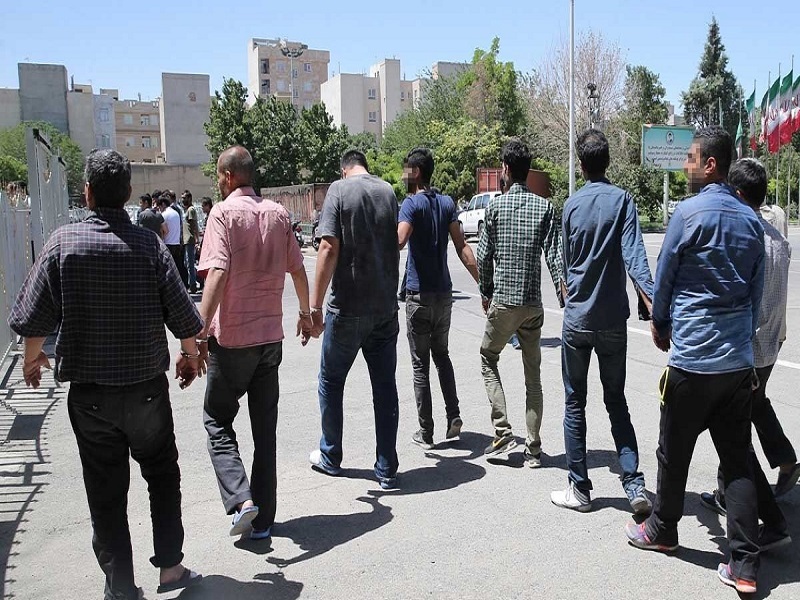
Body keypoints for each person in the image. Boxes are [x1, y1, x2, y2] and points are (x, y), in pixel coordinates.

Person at [8, 149, 203, 599]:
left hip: (91, 398)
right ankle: (171, 568)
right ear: (129, 192)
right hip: (146, 393)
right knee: (162, 475)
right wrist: (190, 355)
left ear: (88, 193)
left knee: (105, 492)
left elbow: (34, 317)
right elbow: (183, 316)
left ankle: (121, 587)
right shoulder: (150, 247)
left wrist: (32, 360)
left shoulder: (63, 244)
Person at [625, 127, 763, 594]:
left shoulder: (687, 213)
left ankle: (663, 530)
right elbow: (756, 295)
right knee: (737, 462)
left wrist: (659, 324)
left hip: (693, 360)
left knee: (672, 449)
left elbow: (664, 278)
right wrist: (742, 344)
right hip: (735, 364)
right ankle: (745, 565)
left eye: (690, 158)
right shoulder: (751, 221)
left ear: (710, 165)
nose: (685, 165)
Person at [198, 146, 311, 541]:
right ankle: (264, 522)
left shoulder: (222, 214)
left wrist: (199, 334)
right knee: (265, 432)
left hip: (232, 342)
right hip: (269, 341)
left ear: (229, 176)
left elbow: (217, 273)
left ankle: (242, 499)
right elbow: (298, 270)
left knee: (217, 420)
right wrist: (306, 313)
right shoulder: (279, 214)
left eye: (219, 175)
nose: (218, 182)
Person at [551, 129, 653, 514]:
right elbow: (636, 259)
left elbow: (566, 264)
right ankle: (634, 485)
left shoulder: (570, 205)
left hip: (577, 320)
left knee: (574, 403)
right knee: (616, 401)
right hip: (612, 321)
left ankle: (579, 489)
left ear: (581, 164)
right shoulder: (623, 201)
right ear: (607, 162)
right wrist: (654, 307)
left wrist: (570, 296)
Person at [699, 158, 796, 537]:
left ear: (737, 194)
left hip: (747, 348)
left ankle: (759, 513)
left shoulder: (745, 238)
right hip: (772, 341)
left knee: (732, 427)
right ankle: (777, 463)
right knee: (748, 411)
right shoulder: (778, 237)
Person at [308, 149, 401, 490]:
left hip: (347, 307)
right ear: (365, 166)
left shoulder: (339, 190)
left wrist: (314, 306)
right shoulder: (387, 191)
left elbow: (328, 247)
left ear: (343, 169)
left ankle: (331, 456)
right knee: (385, 388)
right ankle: (387, 468)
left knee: (331, 382)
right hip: (384, 308)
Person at [477, 139, 565, 466]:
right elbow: (555, 256)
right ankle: (534, 449)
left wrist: (486, 292)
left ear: (506, 169)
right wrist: (563, 295)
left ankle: (502, 430)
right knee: (533, 378)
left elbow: (484, 256)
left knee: (488, 356)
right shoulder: (545, 208)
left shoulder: (495, 208)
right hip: (532, 306)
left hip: (504, 301)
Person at [398, 148, 479, 450]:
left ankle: (426, 431)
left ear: (416, 172)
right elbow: (462, 246)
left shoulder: (411, 204)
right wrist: (484, 284)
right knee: (442, 356)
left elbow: (399, 240)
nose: (404, 176)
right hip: (444, 296)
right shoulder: (446, 203)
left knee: (420, 365)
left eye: (407, 171)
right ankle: (453, 414)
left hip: (419, 296)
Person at [158, 195, 189, 286]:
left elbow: (165, 230)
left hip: (168, 244)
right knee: (178, 267)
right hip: (176, 243)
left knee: (168, 269)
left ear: (163, 204)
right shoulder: (176, 213)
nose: (159, 209)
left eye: (160, 206)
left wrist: (161, 238)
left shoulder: (164, 215)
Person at [182, 191, 199, 294]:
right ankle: (198, 278)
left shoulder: (191, 210)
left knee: (190, 264)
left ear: (189, 198)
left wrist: (196, 239)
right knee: (186, 263)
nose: (183, 200)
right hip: (186, 240)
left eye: (184, 198)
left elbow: (193, 225)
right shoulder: (187, 210)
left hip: (190, 239)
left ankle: (193, 285)